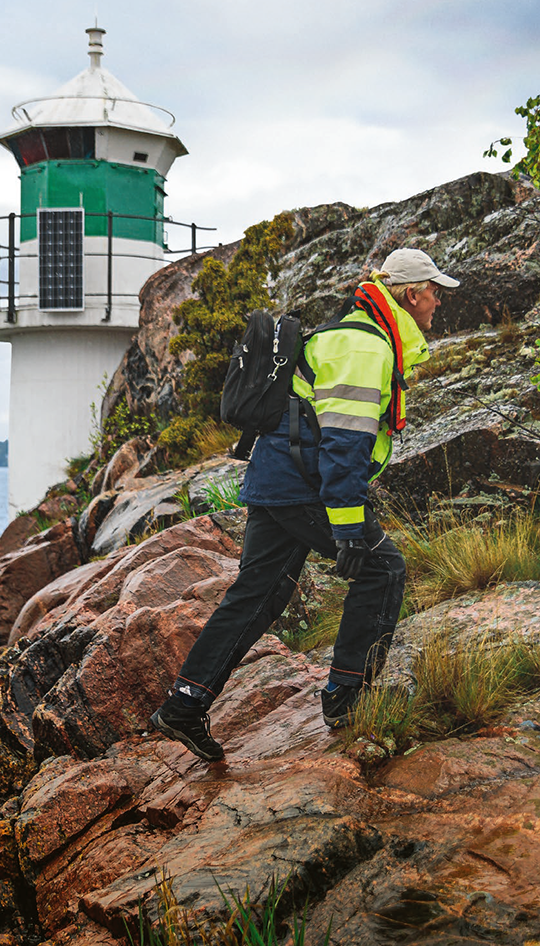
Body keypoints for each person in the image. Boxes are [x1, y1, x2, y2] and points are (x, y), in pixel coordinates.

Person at [150, 248, 460, 761]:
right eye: (434, 292)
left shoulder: (351, 332)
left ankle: (184, 703)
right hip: (303, 486)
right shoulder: (364, 346)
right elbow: (344, 443)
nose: (438, 303)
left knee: (257, 594)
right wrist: (347, 527)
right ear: (411, 294)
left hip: (276, 479)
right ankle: (347, 699)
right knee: (383, 569)